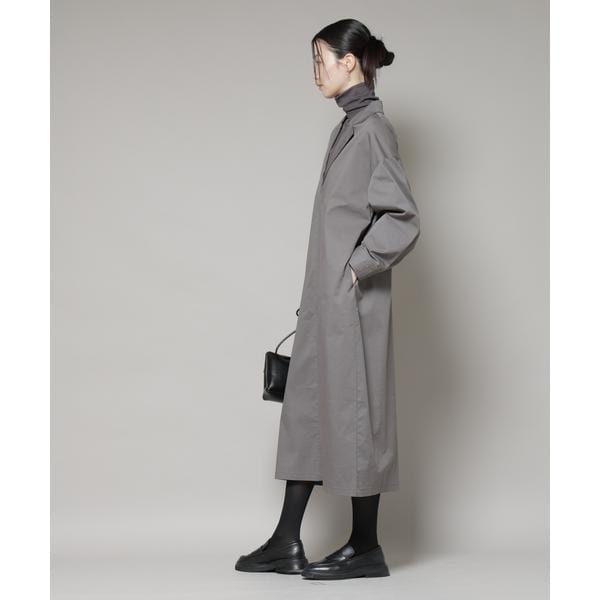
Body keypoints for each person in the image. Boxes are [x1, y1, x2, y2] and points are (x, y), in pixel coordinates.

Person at [235, 18, 421, 580]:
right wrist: (325, 287)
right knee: (310, 412)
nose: (315, 72)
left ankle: (366, 546)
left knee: (357, 416)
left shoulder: (373, 130)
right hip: (327, 303)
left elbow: (402, 218)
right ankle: (286, 541)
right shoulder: (347, 127)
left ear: (350, 61)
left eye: (321, 60)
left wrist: (354, 271)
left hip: (354, 307)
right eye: (313, 61)